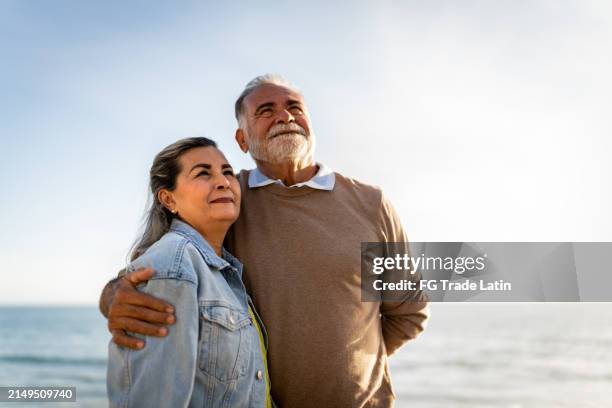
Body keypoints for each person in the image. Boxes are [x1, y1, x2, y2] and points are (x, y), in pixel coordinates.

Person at [101, 75, 429, 407]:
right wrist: (112, 294)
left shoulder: (371, 203)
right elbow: (155, 266)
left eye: (294, 107)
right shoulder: (226, 201)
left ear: (311, 124)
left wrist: (353, 370)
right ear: (242, 140)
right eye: (266, 110)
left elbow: (409, 310)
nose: (285, 116)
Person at [106, 137, 272, 408]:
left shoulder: (225, 272)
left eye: (227, 172)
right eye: (203, 173)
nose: (223, 181)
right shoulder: (173, 265)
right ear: (168, 199)